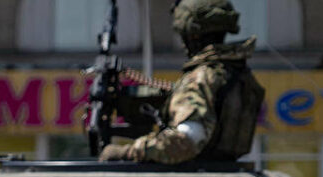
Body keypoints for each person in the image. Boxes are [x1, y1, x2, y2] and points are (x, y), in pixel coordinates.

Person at [99, 0, 264, 164]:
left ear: (193, 35)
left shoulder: (201, 78)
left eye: (183, 35)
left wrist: (128, 152)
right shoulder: (237, 74)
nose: (184, 44)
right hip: (224, 174)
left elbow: (186, 140)